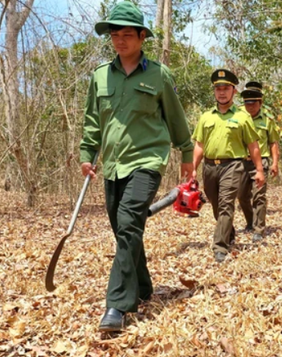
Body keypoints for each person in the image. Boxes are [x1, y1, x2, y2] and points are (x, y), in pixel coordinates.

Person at [80, 1, 194, 332]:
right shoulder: (100, 76)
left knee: (129, 221)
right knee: (124, 229)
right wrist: (87, 153)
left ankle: (117, 306)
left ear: (142, 36)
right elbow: (92, 122)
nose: (119, 40)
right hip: (113, 165)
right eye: (114, 34)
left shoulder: (159, 74)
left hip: (146, 161)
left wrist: (187, 154)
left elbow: (176, 118)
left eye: (127, 34)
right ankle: (142, 287)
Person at [191, 69, 265, 263]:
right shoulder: (206, 117)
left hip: (233, 166)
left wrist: (259, 170)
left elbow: (253, 146)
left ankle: (220, 247)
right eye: (218, 89)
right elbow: (199, 145)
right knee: (216, 206)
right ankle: (228, 232)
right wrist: (192, 168)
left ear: (234, 91)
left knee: (226, 205)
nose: (221, 92)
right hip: (209, 167)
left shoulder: (243, 117)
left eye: (226, 88)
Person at [237, 81, 280, 242]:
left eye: (253, 102)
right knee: (241, 196)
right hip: (240, 161)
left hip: (261, 162)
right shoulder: (238, 116)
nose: (250, 105)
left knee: (259, 196)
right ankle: (250, 222)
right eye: (247, 102)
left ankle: (258, 229)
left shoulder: (267, 120)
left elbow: (273, 142)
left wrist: (275, 163)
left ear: (260, 103)